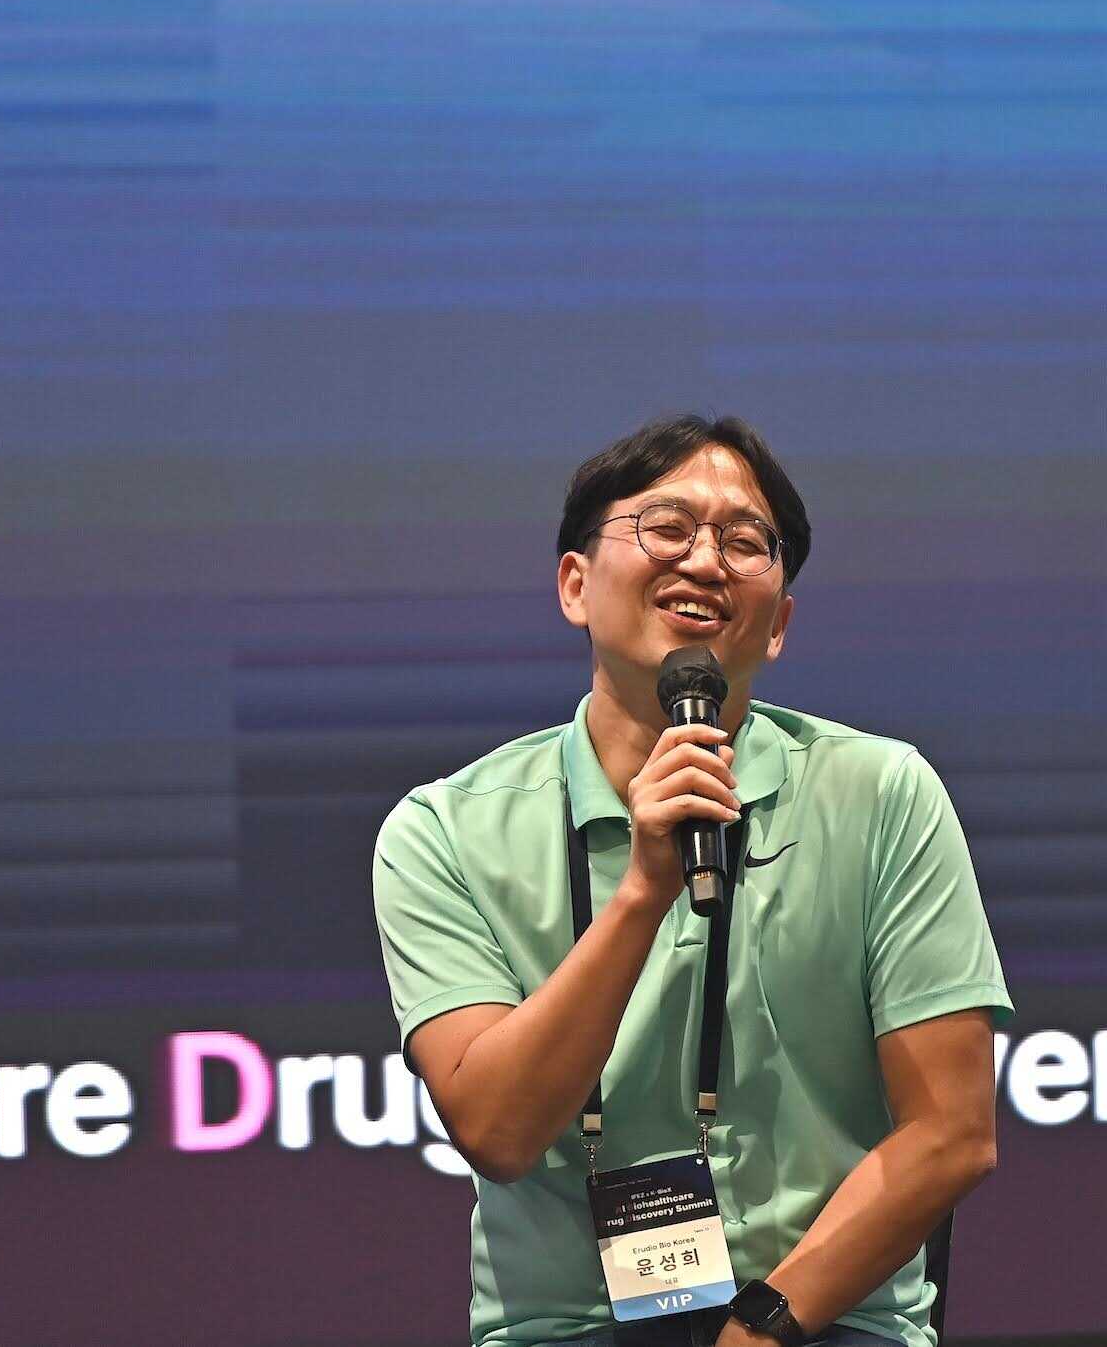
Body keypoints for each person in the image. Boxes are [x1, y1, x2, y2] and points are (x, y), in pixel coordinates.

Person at [373, 415, 1009, 1347]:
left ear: (778, 623)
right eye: (667, 527)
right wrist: (643, 890)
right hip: (569, 1328)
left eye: (745, 542)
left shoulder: (881, 793)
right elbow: (498, 1132)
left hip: (818, 1321)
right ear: (575, 584)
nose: (706, 560)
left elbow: (953, 1133)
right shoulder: (443, 831)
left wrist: (765, 1323)